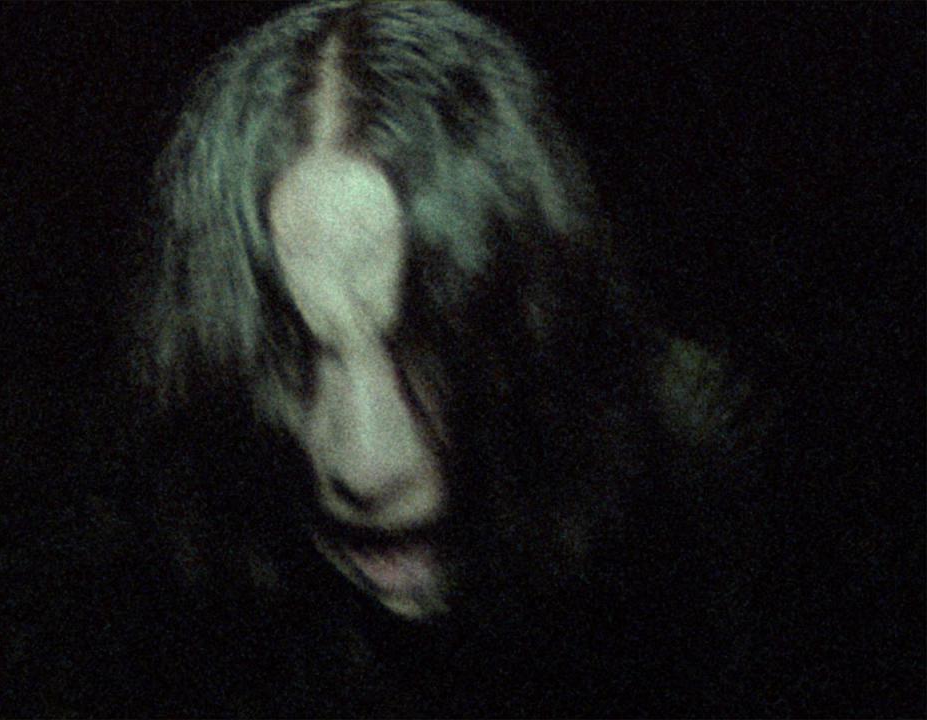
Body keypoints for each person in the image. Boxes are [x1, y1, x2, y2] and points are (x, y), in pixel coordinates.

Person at [123, 1, 768, 715]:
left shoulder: (704, 483)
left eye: (429, 348)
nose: (366, 470)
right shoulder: (171, 559)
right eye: (291, 360)